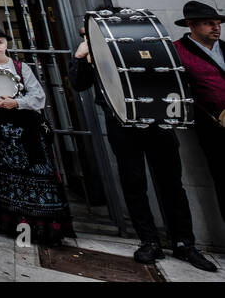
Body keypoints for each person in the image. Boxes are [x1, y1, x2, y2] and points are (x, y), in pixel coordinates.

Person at [70, 29, 216, 271]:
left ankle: (184, 242)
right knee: (133, 182)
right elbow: (79, 83)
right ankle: (149, 240)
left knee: (171, 182)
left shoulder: (139, 44)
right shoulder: (92, 54)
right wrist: (79, 57)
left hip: (157, 120)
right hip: (121, 122)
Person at [0, 27, 72, 245]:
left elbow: (38, 96)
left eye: (0, 42)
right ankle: (17, 226)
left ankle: (44, 227)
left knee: (36, 171)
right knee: (6, 173)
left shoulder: (21, 67)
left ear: (7, 44)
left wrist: (17, 102)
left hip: (27, 127)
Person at [173, 0, 225, 230]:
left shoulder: (224, 48)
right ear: (191, 25)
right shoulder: (178, 51)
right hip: (213, 126)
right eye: (209, 24)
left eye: (217, 23)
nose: (216, 28)